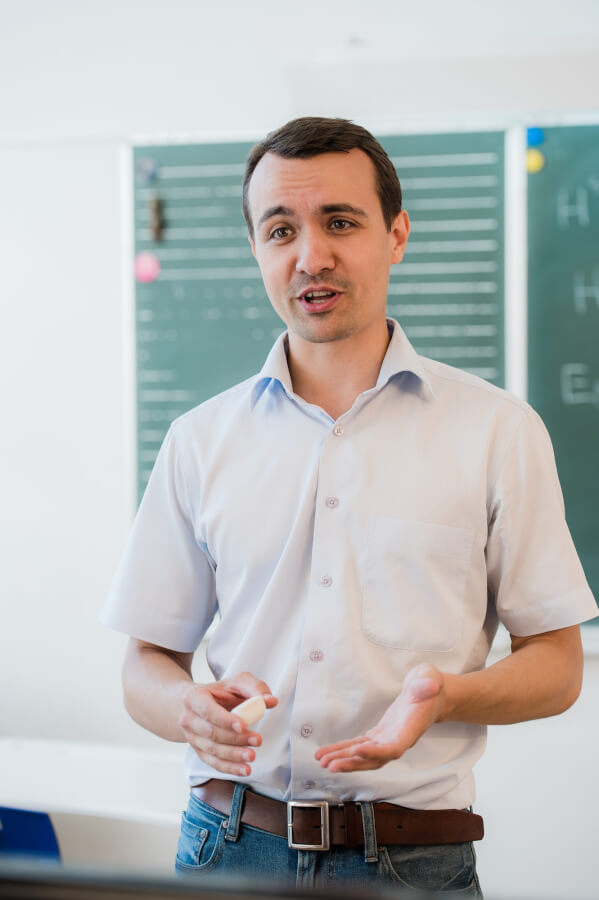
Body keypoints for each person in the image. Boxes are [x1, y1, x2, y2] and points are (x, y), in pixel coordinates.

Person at [101, 117, 597, 897]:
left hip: (414, 864)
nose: (310, 257)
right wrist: (185, 708)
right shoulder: (198, 441)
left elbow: (559, 666)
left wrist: (448, 698)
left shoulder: (497, 430)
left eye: (340, 222)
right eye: (279, 230)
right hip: (226, 849)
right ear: (257, 250)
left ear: (395, 234)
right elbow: (145, 664)